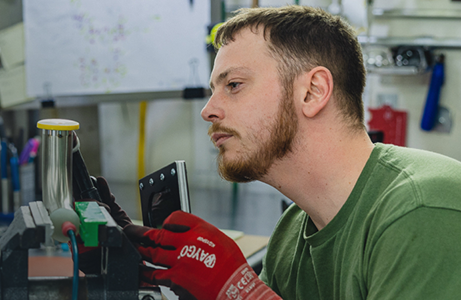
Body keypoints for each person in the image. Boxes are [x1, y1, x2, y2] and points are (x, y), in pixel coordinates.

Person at [78, 5, 461, 300]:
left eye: (234, 85)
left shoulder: (423, 209)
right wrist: (143, 269)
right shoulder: (292, 232)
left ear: (312, 92)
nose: (208, 110)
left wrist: (239, 290)